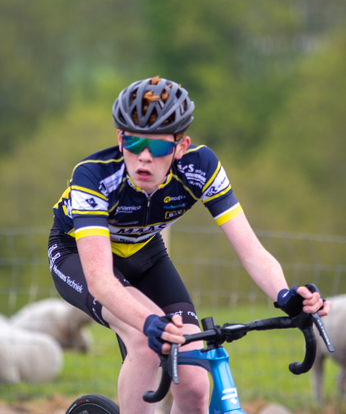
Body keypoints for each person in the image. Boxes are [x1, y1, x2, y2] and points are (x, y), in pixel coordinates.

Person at [48, 76, 330, 414]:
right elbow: (100, 280)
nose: (144, 158)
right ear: (120, 140)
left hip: (146, 253)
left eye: (159, 147)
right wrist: (150, 322)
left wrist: (285, 295)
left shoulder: (200, 168)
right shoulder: (93, 177)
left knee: (195, 387)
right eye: (134, 144)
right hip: (78, 255)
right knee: (145, 340)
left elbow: (251, 250)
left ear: (181, 147)